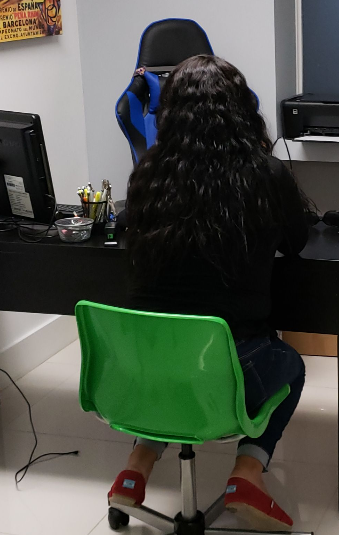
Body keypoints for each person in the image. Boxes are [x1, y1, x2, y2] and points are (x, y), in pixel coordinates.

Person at [108, 55, 310, 530]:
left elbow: (123, 229)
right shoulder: (265, 173)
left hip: (146, 369)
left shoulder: (148, 176)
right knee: (291, 365)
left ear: (169, 113)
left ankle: (136, 468)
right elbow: (297, 242)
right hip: (227, 373)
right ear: (241, 110)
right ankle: (247, 474)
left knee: (173, 368)